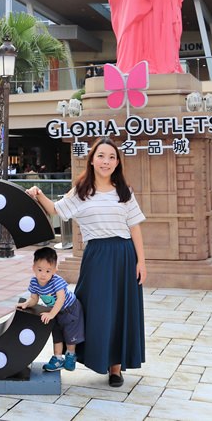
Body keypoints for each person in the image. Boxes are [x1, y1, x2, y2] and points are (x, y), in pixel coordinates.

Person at [26, 137, 146, 387]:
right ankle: (86, 355)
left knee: (120, 310)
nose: (106, 161)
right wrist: (37, 193)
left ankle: (115, 368)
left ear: (117, 162)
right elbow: (55, 210)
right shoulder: (81, 191)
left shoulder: (124, 191)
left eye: (112, 157)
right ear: (92, 159)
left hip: (124, 255)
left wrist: (141, 262)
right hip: (97, 256)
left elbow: (134, 228)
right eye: (101, 156)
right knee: (95, 309)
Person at [16, 247, 85, 372]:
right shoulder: (34, 282)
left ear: (54, 270)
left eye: (48, 271)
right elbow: (34, 298)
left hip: (70, 309)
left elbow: (61, 299)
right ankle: (57, 358)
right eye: (40, 270)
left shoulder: (56, 281)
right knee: (56, 334)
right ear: (33, 268)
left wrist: (51, 314)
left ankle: (71, 354)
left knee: (70, 334)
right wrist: (27, 304)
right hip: (55, 311)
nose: (43, 274)